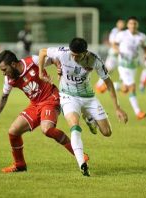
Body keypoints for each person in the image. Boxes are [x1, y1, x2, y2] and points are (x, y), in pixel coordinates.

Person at [0, 50, 88, 174]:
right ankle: (20, 165)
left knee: (47, 129)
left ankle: (78, 153)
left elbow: (53, 59)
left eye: (4, 69)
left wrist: (58, 67)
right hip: (35, 105)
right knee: (13, 131)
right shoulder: (9, 79)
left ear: (13, 64)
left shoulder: (33, 61)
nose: (4, 74)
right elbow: (4, 97)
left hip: (51, 99)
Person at [38, 38, 128, 176]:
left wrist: (117, 107)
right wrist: (40, 72)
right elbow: (42, 52)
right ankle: (82, 164)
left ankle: (90, 120)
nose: (74, 57)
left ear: (85, 53)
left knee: (107, 132)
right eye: (73, 54)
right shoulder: (62, 52)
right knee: (74, 125)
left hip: (89, 98)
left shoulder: (94, 60)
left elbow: (108, 83)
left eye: (77, 56)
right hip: (68, 96)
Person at [113, 16, 146, 120]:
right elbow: (114, 44)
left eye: (135, 23)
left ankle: (110, 86)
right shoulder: (122, 34)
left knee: (125, 88)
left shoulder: (141, 36)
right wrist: (118, 50)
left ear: (137, 25)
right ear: (128, 25)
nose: (133, 25)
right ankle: (138, 112)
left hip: (133, 66)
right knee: (132, 87)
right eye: (131, 23)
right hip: (123, 65)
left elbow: (145, 47)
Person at [95, 19, 125, 93]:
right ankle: (99, 85)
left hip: (121, 54)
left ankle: (124, 86)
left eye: (123, 23)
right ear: (117, 24)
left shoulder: (124, 33)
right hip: (114, 54)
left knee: (123, 70)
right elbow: (112, 43)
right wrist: (118, 51)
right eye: (120, 23)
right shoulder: (115, 31)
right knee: (108, 70)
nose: (121, 25)